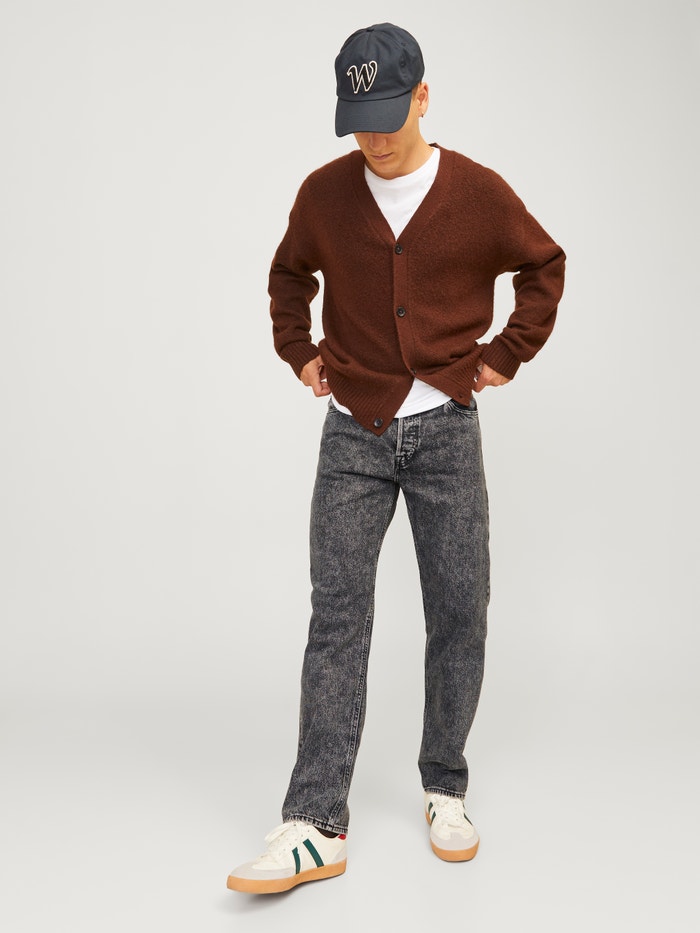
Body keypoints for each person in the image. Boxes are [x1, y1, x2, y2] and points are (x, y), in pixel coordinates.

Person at [227, 22, 565, 894]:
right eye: (358, 122)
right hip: (353, 431)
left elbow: (543, 265)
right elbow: (289, 275)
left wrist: (506, 353)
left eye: (387, 115)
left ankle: (444, 784)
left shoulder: (477, 193)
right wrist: (298, 351)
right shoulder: (324, 194)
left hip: (446, 427)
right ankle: (316, 822)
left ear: (422, 97)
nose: (374, 139)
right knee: (337, 617)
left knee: (460, 610)